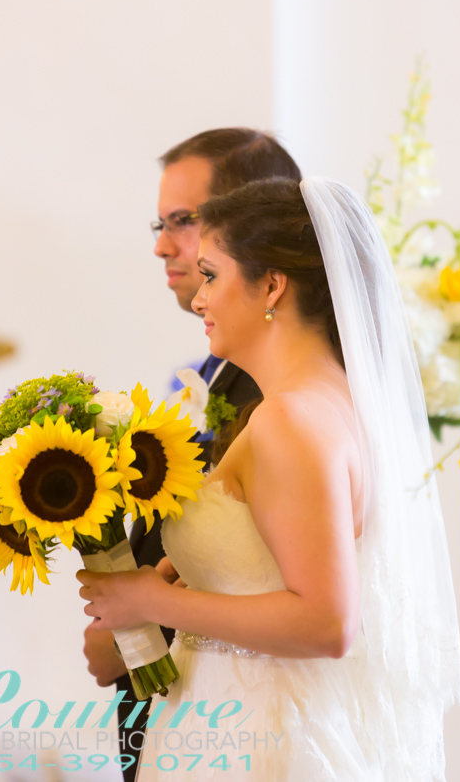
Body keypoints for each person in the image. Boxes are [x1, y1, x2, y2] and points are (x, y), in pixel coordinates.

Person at [78, 177, 460, 781]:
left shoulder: (290, 419)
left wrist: (150, 600)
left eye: (211, 275)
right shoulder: (329, 403)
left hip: (257, 732)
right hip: (242, 715)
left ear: (272, 286)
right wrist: (145, 599)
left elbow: (327, 621)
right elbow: (263, 569)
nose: (200, 300)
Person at [82, 129, 301, 781]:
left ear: (248, 225)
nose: (162, 245)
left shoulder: (279, 395)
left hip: (239, 722)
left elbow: (279, 579)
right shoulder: (213, 374)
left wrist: (142, 624)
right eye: (162, 222)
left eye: (183, 221)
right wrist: (128, 630)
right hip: (185, 716)